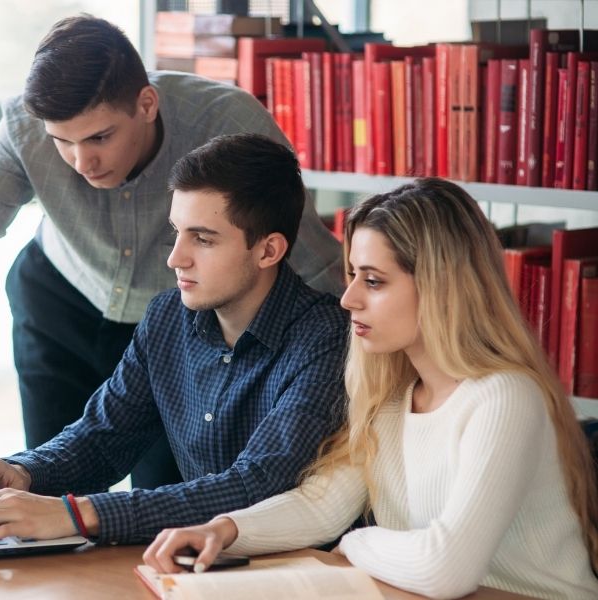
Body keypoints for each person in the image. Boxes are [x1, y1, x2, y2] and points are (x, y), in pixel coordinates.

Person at [0, 15, 344, 490]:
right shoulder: (25, 126)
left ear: (146, 103)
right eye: (62, 142)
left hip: (172, 328)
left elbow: (303, 249)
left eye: (100, 137)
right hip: (59, 305)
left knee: (163, 498)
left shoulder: (227, 122)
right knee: (41, 481)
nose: (81, 161)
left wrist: (365, 357)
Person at [143, 178, 598, 599]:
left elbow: (446, 569)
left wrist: (355, 542)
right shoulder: (394, 400)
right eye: (352, 275)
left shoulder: (504, 397)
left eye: (374, 281)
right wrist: (222, 530)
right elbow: (322, 505)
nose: (348, 299)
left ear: (442, 289)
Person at [0, 133, 348, 547]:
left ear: (268, 251)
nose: (176, 258)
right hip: (198, 566)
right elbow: (103, 437)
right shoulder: (168, 317)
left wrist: (77, 514)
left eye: (203, 239)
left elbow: (254, 487)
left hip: (297, 573)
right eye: (177, 232)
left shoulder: (327, 340)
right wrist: (24, 471)